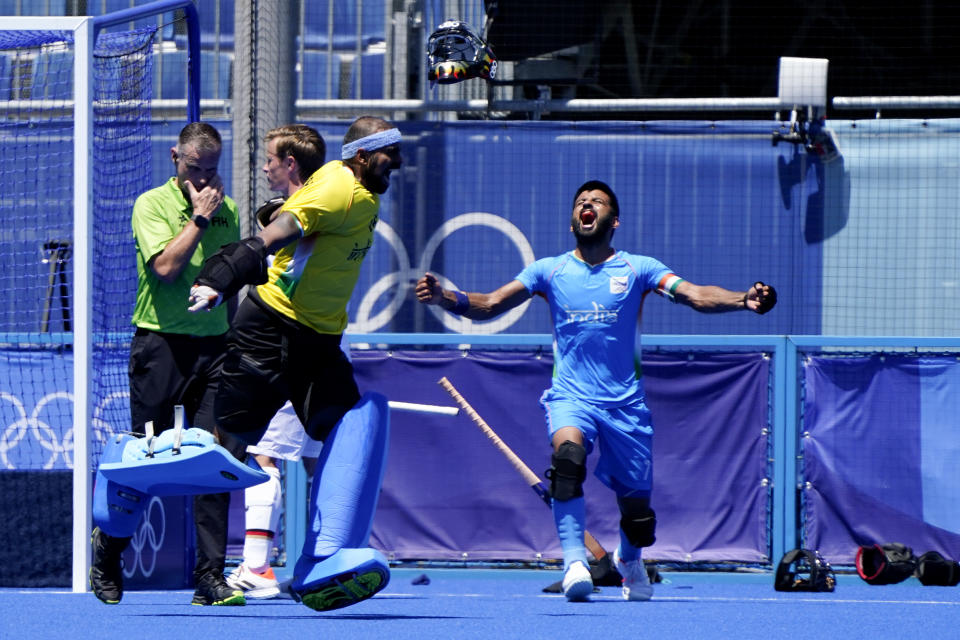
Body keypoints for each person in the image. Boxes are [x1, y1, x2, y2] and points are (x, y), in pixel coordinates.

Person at [415, 180, 777, 602]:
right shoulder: (548, 271)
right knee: (567, 460)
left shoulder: (639, 269)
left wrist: (741, 299)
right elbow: (491, 303)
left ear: (614, 220)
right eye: (580, 202)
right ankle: (574, 564)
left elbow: (695, 295)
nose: (587, 204)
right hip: (572, 397)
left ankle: (628, 560)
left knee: (639, 517)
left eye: (598, 201)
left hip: (627, 406)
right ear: (573, 222)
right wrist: (446, 297)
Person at [187, 116, 403, 612]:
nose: (401, 160)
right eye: (391, 151)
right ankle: (199, 567)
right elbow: (272, 236)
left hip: (319, 342)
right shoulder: (337, 187)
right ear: (364, 155)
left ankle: (322, 561)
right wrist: (220, 276)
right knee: (226, 449)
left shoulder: (362, 195)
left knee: (354, 423)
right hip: (270, 331)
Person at [90, 122, 247, 606]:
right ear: (175, 158)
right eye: (194, 169)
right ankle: (109, 553)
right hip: (160, 348)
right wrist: (197, 219)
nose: (203, 180)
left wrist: (233, 334)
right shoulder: (151, 204)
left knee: (216, 461)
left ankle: (210, 577)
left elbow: (232, 278)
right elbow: (165, 269)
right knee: (146, 463)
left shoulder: (231, 210)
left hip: (214, 349)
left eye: (212, 171)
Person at [223, 124, 327, 600]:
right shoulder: (332, 206)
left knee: (264, 457)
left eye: (270, 159)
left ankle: (258, 568)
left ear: (290, 165)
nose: (264, 166)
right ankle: (324, 562)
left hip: (284, 343)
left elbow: (281, 274)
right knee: (313, 462)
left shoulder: (297, 214)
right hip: (318, 343)